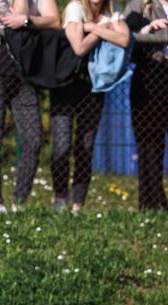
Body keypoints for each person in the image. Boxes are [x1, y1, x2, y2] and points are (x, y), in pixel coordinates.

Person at [0, 0, 59, 214]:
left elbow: (54, 20)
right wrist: (29, 19)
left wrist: (26, 19)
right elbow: (13, 21)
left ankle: (19, 203)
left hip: (23, 73)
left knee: (33, 138)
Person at [51, 0, 130, 214]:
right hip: (65, 84)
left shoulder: (112, 13)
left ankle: (78, 204)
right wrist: (102, 29)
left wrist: (94, 27)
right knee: (61, 145)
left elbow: (123, 38)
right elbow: (79, 47)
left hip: (93, 85)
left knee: (85, 145)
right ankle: (60, 197)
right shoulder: (75, 9)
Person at [124, 0, 167, 211]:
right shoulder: (139, 5)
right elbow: (125, 38)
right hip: (151, 76)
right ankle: (151, 201)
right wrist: (147, 30)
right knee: (149, 143)